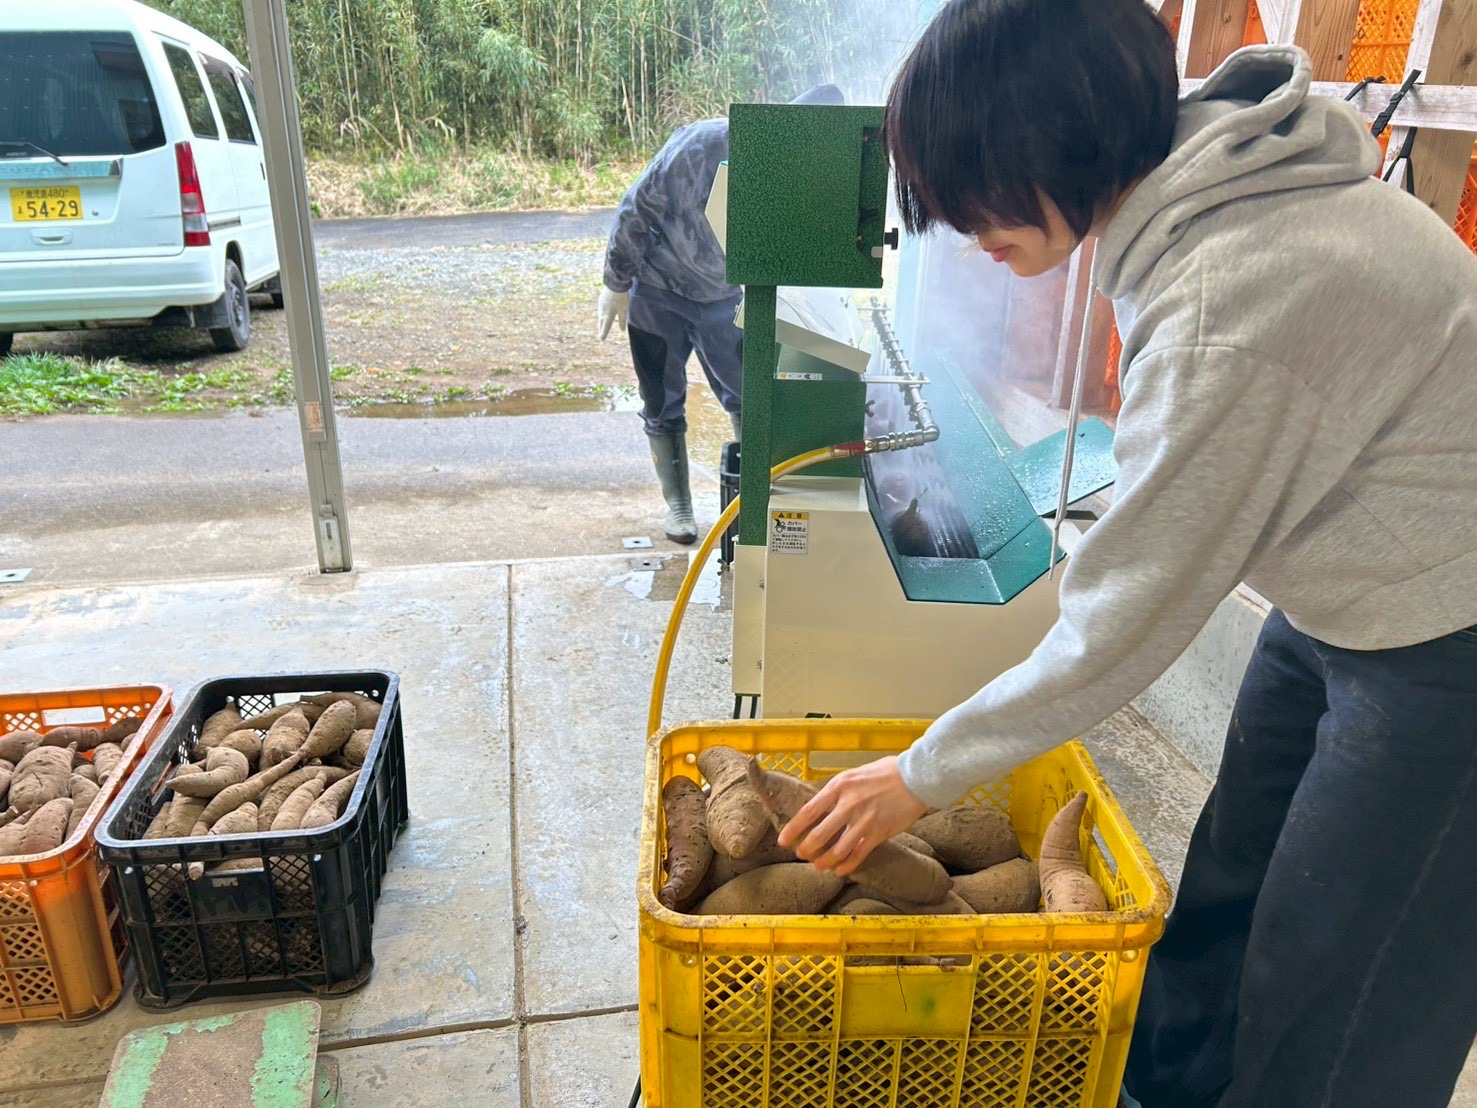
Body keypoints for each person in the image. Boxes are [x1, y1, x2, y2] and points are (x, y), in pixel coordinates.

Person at [774, 1, 1477, 1105]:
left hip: (1448, 634)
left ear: (1056, 132)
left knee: (1342, 978)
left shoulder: (1225, 297)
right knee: (1228, 895)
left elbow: (1122, 622)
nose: (963, 227)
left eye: (973, 186)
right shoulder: (1200, 198)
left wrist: (917, 775)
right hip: (1341, 590)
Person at [598, 84, 845, 543]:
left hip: (723, 297)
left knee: (748, 396)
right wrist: (616, 282)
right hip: (658, 289)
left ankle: (750, 499)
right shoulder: (700, 146)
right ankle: (679, 507)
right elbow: (636, 207)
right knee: (661, 400)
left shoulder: (800, 171)